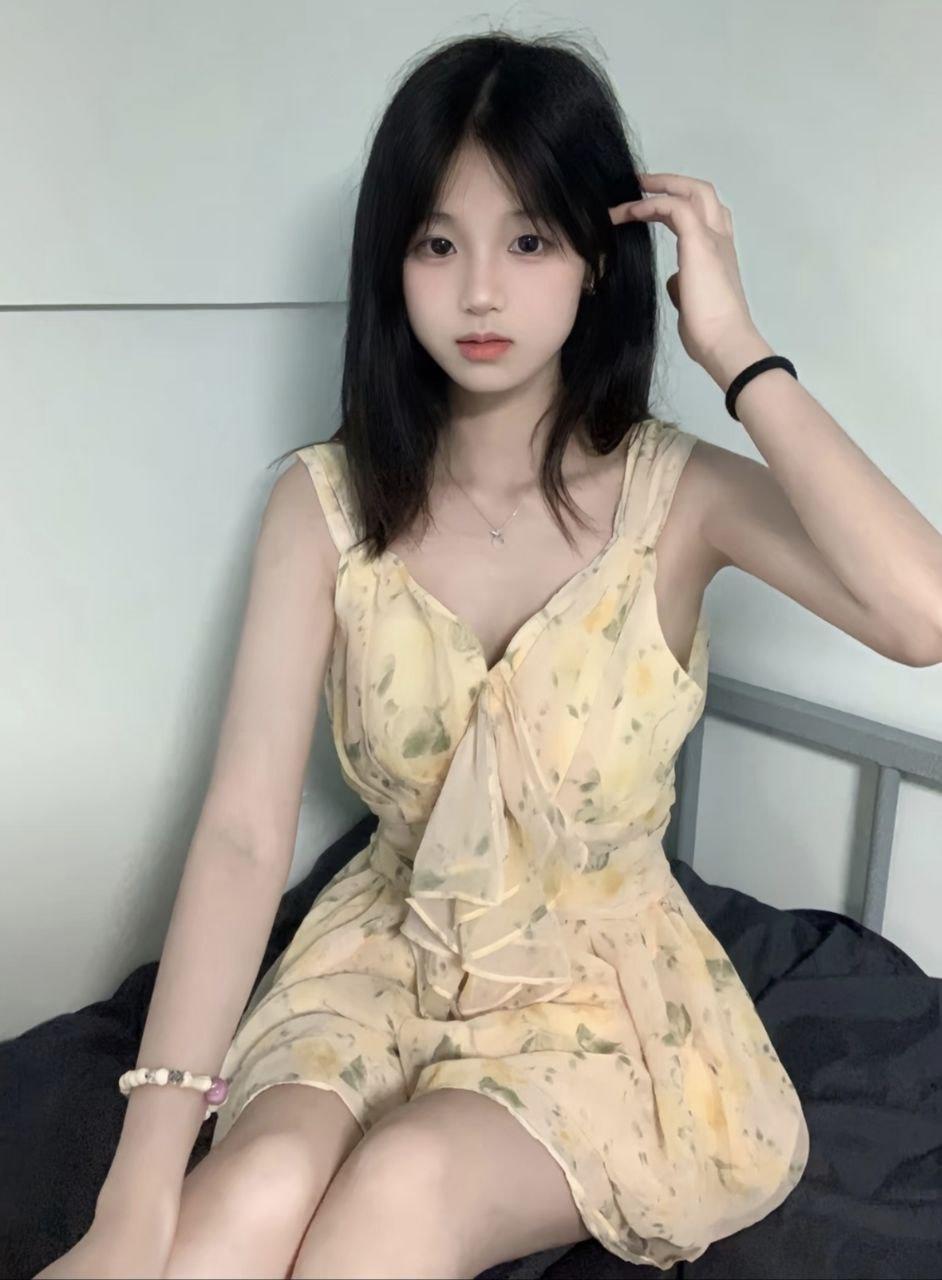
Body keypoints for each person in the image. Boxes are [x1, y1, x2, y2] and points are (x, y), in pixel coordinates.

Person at [35, 28, 828, 1280]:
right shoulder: (324, 502)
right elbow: (242, 836)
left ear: (598, 258)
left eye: (530, 240)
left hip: (596, 989)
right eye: (437, 243)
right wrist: (134, 1198)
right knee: (249, 1194)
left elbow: (924, 616)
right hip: (380, 953)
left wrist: (737, 348)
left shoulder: (680, 498)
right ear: (392, 261)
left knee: (398, 1189)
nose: (481, 293)